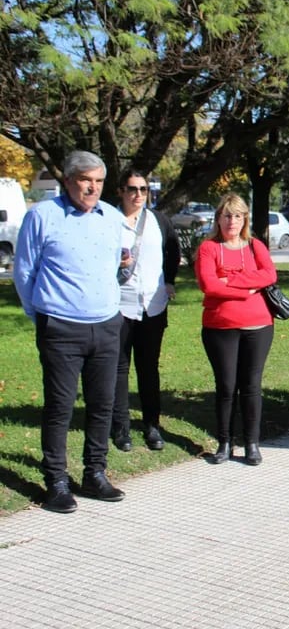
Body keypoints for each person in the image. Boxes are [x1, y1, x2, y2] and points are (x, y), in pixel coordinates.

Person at [14, 150, 127, 513]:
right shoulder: (42, 216)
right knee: (60, 407)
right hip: (60, 326)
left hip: (107, 324)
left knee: (102, 405)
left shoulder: (112, 217)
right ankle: (57, 481)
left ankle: (95, 473)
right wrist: (43, 315)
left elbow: (113, 267)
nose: (92, 188)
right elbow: (24, 273)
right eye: (85, 180)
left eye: (98, 181)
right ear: (68, 181)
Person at [195, 193, 277, 466]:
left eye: (238, 216)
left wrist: (228, 280)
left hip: (258, 326)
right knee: (227, 386)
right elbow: (209, 285)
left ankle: (251, 443)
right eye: (227, 215)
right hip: (220, 327)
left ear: (245, 219)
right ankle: (225, 442)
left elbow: (269, 275)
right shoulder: (209, 248)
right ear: (218, 218)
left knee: (251, 386)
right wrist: (248, 288)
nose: (232, 221)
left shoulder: (255, 246)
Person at [110, 169, 180, 453]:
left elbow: (173, 250)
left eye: (143, 189)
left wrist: (171, 280)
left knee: (149, 368)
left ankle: (152, 426)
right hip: (118, 304)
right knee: (119, 369)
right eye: (132, 189)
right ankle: (121, 428)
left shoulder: (158, 221)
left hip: (152, 305)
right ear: (120, 191)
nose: (138, 194)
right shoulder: (108, 221)